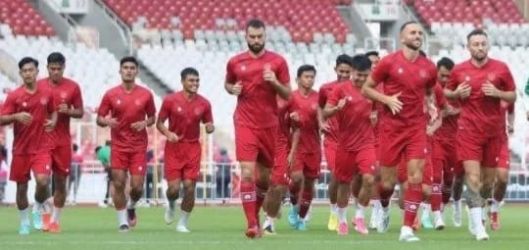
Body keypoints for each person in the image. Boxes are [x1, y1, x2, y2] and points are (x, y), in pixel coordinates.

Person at [361, 21, 437, 242]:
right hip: (391, 129)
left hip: (416, 128)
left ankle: (406, 229)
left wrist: (430, 104)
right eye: (413, 32)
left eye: (420, 33)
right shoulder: (388, 63)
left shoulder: (429, 66)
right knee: (387, 183)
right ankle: (383, 206)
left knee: (416, 177)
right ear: (402, 38)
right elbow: (366, 88)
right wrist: (386, 99)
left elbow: (430, 90)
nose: (417, 35)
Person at [444, 29, 516, 241]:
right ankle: (478, 227)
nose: (480, 47)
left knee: (487, 183)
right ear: (468, 47)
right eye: (475, 44)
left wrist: (499, 93)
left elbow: (512, 94)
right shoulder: (459, 70)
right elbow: (447, 92)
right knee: (473, 178)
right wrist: (457, 94)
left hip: (494, 132)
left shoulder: (501, 68)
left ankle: (479, 210)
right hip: (468, 131)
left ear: (488, 45)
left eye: (483, 43)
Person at [224, 19, 290, 238]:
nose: (256, 40)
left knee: (264, 179)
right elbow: (228, 84)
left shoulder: (278, 62)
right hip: (244, 123)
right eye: (252, 37)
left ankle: (257, 218)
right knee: (247, 172)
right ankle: (252, 224)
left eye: (259, 36)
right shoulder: (235, 62)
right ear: (246, 36)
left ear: (265, 36)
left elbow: (288, 94)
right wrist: (232, 89)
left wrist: (275, 83)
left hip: (270, 125)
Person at [96, 56, 156, 232]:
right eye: (125, 68)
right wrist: (107, 121)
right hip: (119, 147)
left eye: (132, 68)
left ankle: (131, 206)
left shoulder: (146, 94)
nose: (129, 70)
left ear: (136, 71)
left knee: (137, 187)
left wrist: (144, 123)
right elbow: (99, 118)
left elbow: (152, 117)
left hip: (138, 147)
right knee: (119, 183)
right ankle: (122, 221)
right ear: (120, 71)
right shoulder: (111, 94)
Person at [0, 57, 57, 235]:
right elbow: (1, 118)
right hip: (21, 149)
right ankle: (24, 222)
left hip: (42, 148)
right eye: (24, 71)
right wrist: (16, 117)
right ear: (20, 74)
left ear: (37, 72)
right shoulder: (14, 96)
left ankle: (38, 208)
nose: (28, 73)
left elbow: (54, 109)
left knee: (43, 181)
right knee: (21, 188)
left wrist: (54, 121)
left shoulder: (47, 92)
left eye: (31, 70)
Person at [323, 55, 375, 235]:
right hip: (344, 145)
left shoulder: (373, 90)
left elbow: (381, 112)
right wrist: (337, 108)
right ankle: (342, 219)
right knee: (343, 183)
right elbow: (326, 112)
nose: (361, 78)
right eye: (358, 74)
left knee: (369, 178)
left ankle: (359, 217)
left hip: (366, 144)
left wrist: (376, 118)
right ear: (352, 71)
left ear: (370, 73)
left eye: (365, 75)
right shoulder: (340, 90)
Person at [158, 67, 214, 233]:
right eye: (191, 80)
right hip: (174, 148)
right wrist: (168, 133)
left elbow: (209, 124)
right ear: (182, 82)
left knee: (190, 186)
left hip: (193, 148)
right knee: (174, 189)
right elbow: (159, 123)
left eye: (197, 81)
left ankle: (182, 223)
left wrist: (210, 127)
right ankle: (171, 204)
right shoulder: (170, 100)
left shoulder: (204, 103)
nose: (195, 83)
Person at [36, 52, 83, 232]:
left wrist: (69, 111)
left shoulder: (73, 87)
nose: (55, 72)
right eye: (52, 68)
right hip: (41, 141)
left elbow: (80, 112)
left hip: (62, 142)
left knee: (61, 182)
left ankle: (54, 221)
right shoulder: (37, 86)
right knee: (42, 181)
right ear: (47, 68)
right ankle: (44, 213)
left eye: (59, 69)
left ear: (64, 68)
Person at [318, 54, 354, 231]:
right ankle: (334, 211)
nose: (344, 75)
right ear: (335, 70)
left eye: (348, 72)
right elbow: (319, 107)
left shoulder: (357, 89)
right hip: (332, 139)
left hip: (352, 139)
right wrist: (321, 122)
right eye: (341, 71)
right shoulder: (326, 88)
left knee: (347, 179)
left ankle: (343, 214)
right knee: (337, 175)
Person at [285, 65, 320, 231]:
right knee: (297, 178)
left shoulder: (319, 98)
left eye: (312, 77)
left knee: (309, 185)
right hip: (295, 145)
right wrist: (289, 117)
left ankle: (301, 218)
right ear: (297, 79)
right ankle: (293, 204)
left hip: (314, 146)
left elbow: (323, 118)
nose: (310, 80)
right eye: (306, 76)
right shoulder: (290, 98)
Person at [364, 50, 382, 230]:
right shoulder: (359, 86)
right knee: (360, 179)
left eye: (377, 62)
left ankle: (377, 211)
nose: (375, 65)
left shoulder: (387, 85)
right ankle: (360, 210)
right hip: (360, 138)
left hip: (383, 138)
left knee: (378, 176)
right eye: (371, 63)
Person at [96, 140, 112, 207]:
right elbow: (109, 159)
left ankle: (107, 199)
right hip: (113, 168)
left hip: (106, 169)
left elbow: (99, 158)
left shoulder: (101, 150)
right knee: (112, 184)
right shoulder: (110, 149)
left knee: (109, 184)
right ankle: (109, 199)